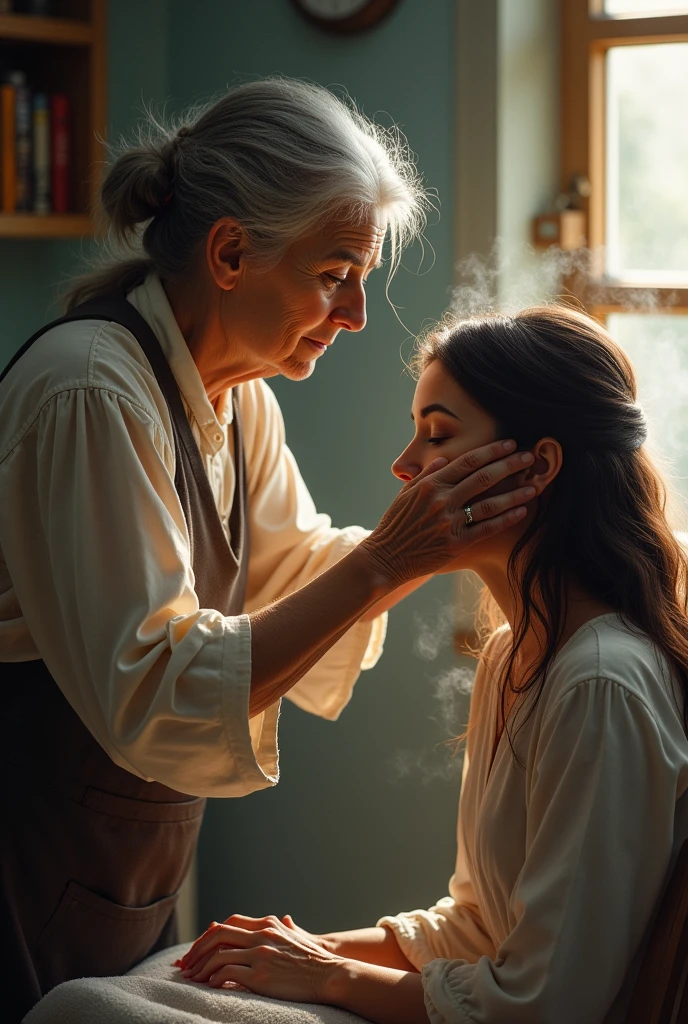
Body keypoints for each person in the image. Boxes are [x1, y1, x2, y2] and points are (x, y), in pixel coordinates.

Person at [0, 78, 533, 1022]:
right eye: (335, 273)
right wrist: (394, 559)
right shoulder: (91, 389)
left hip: (126, 857)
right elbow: (155, 683)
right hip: (26, 835)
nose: (358, 314)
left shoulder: (236, 398)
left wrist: (448, 538)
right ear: (232, 251)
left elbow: (299, 574)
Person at [177, 304, 688, 1024]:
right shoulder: (516, 655)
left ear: (538, 466)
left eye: (438, 434)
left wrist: (325, 978)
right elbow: (480, 929)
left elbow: (549, 1004)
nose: (405, 463)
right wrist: (297, 954)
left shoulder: (601, 682)